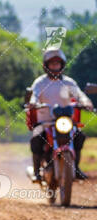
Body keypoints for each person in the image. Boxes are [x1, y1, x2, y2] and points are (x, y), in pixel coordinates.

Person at [29, 49, 93, 181]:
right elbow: (34, 96)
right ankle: (37, 172)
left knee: (79, 136)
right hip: (45, 122)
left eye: (57, 64)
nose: (55, 66)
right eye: (52, 64)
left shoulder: (69, 82)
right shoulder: (40, 83)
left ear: (62, 65)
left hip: (65, 121)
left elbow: (80, 95)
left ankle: (76, 167)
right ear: (46, 66)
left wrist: (86, 102)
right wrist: (33, 103)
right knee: (36, 138)